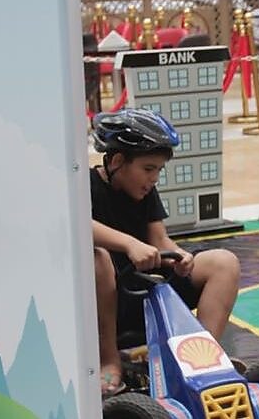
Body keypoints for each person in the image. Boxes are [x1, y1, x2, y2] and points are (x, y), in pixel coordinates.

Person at [89, 109, 240, 398]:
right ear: (117, 161)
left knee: (224, 263)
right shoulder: (85, 186)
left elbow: (160, 239)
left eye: (159, 170)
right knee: (99, 259)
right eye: (148, 169)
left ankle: (202, 360)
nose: (155, 178)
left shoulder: (145, 191)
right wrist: (129, 244)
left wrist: (179, 256)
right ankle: (108, 359)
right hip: (106, 304)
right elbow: (79, 224)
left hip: (144, 292)